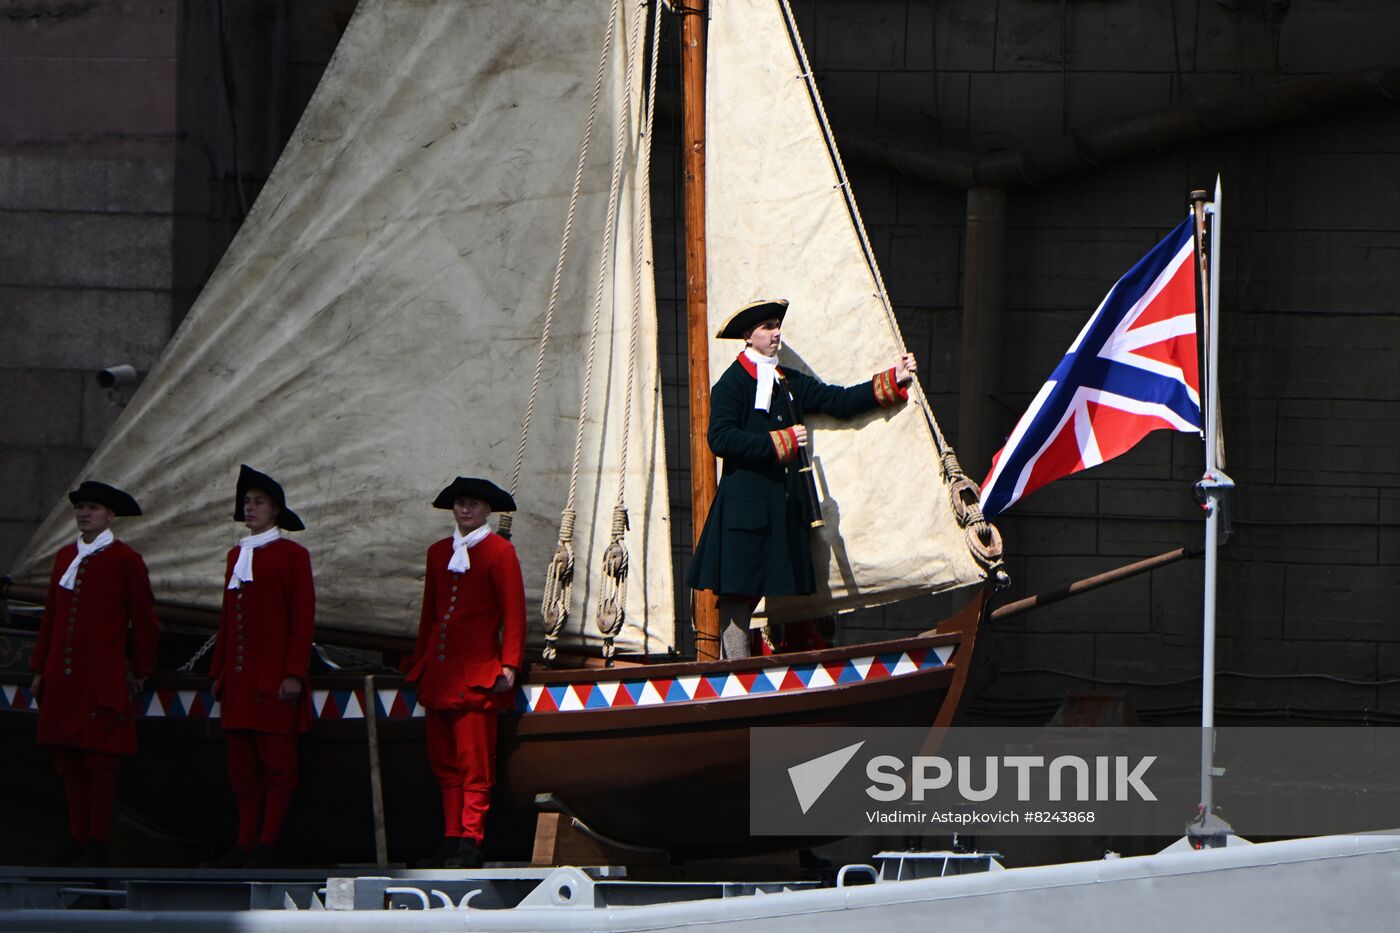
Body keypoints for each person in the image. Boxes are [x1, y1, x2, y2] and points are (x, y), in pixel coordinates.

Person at [686, 299, 916, 659]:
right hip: (744, 510)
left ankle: (777, 667)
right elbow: (721, 438)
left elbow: (837, 400)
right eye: (767, 327)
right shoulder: (731, 384)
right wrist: (781, 442)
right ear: (749, 336)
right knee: (738, 593)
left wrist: (893, 379)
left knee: (783, 588)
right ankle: (734, 670)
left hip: (780, 509)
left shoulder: (786, 381)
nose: (776, 332)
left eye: (777, 325)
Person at [29, 481, 160, 867]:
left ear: (109, 515)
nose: (85, 514)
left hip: (100, 676)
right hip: (63, 678)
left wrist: (141, 667)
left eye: (93, 508)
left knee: (99, 763)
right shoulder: (65, 557)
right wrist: (39, 668)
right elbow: (51, 617)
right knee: (67, 760)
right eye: (81, 508)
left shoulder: (125, 560)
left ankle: (97, 841)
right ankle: (77, 835)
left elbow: (145, 620)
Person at [406, 477, 525, 869]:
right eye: (460, 503)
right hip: (440, 677)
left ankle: (472, 839)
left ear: (487, 510)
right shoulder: (438, 552)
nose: (465, 510)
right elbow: (429, 614)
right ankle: (451, 835)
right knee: (444, 762)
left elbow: (513, 613)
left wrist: (509, 664)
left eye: (473, 504)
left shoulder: (499, 552)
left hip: (477, 676)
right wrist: (420, 663)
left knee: (476, 764)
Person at [207, 465, 315, 868]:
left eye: (259, 503)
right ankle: (245, 842)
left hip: (272, 682)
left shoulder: (292, 555)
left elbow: (302, 618)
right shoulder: (237, 555)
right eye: (247, 502)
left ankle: (267, 843)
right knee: (241, 771)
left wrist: (292, 673)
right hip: (238, 681)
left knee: (278, 767)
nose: (250, 508)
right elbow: (227, 620)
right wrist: (219, 671)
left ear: (275, 510)